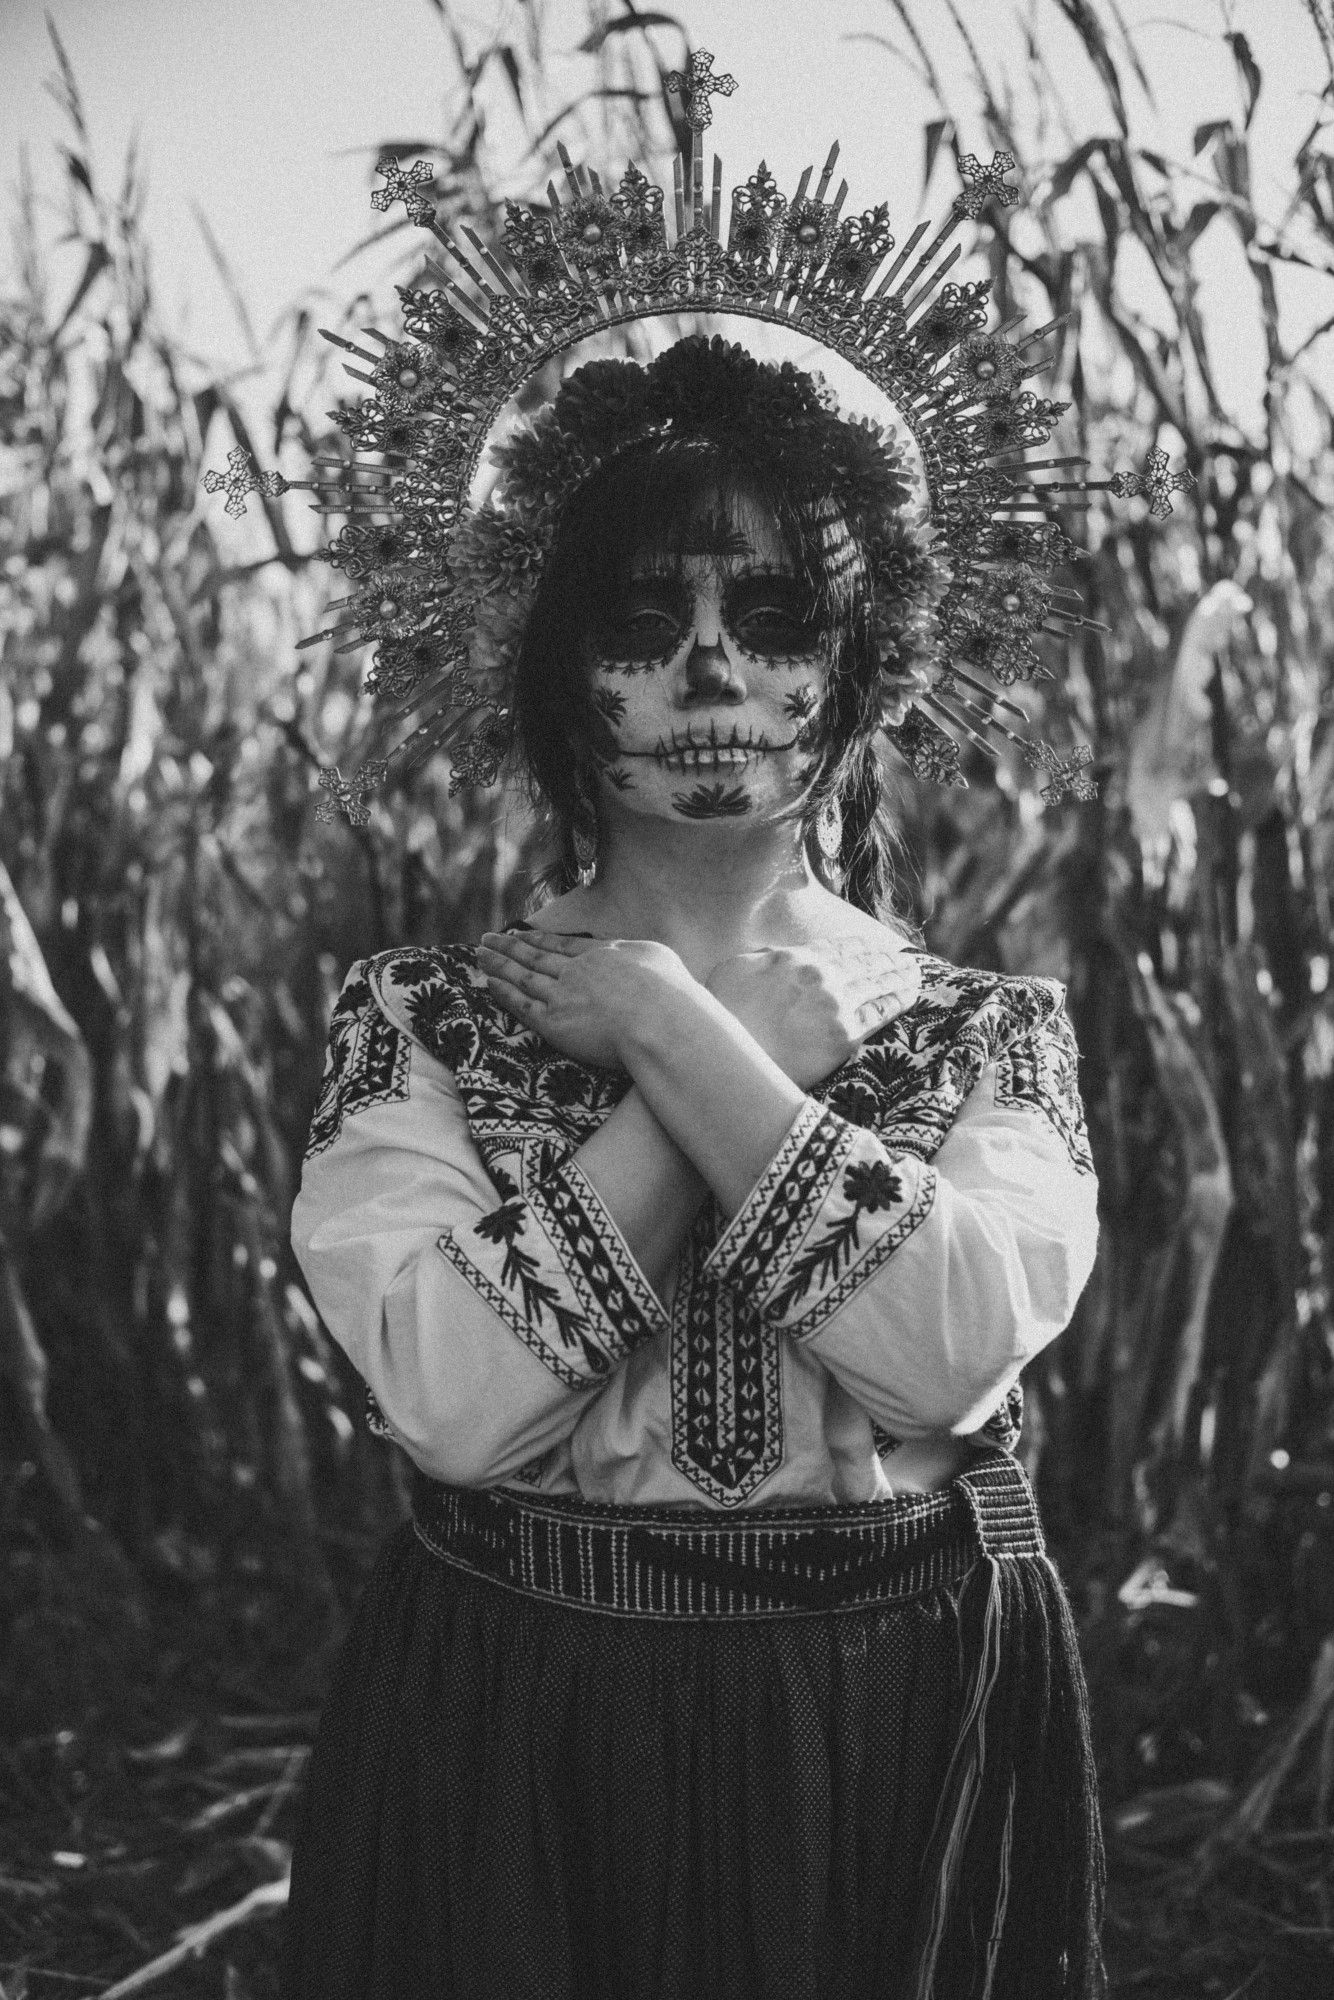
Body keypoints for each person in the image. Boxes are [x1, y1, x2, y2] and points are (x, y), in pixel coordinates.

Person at [281, 336, 1106, 2000]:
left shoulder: (985, 1030)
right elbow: (449, 1399)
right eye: (641, 627)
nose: (711, 672)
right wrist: (699, 1054)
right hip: (524, 1714)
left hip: (882, 1704)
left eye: (776, 618)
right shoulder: (423, 1017)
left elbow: (949, 1351)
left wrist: (687, 1042)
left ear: (859, 663)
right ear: (555, 677)